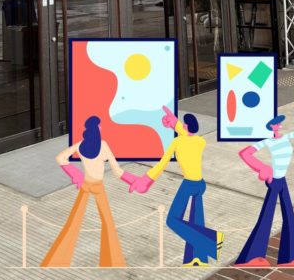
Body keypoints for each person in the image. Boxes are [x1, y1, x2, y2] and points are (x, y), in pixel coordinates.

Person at [235, 90, 294, 268]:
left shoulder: (286, 137)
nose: (280, 125)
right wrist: (263, 168)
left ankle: (291, 257)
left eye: (279, 122)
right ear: (271, 126)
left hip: (281, 180)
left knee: (288, 215)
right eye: (276, 123)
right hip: (274, 180)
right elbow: (245, 153)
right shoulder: (267, 141)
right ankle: (251, 257)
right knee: (267, 216)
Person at [41, 116, 140, 267]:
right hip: (98, 186)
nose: (101, 128)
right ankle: (111, 260)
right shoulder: (103, 145)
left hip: (85, 185)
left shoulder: (80, 145)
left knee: (73, 222)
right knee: (107, 222)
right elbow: (117, 171)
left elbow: (60, 158)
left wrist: (76, 174)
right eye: (100, 126)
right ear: (96, 128)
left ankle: (58, 259)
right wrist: (134, 180)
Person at [131, 107, 224, 267]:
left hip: (189, 185)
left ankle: (211, 242)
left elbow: (162, 164)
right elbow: (187, 133)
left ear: (185, 126)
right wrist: (176, 124)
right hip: (200, 184)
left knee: (172, 220)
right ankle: (198, 258)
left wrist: (146, 179)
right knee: (197, 222)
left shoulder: (177, 142)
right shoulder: (200, 141)